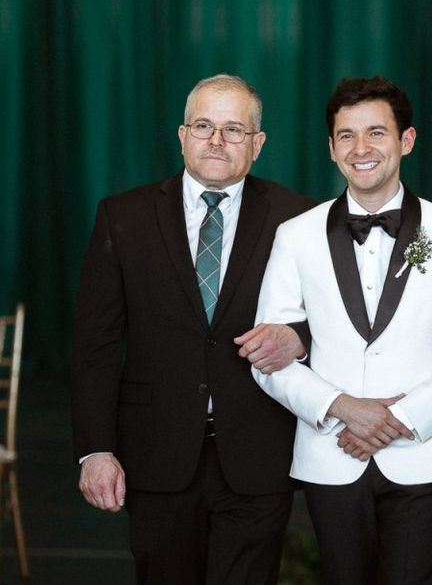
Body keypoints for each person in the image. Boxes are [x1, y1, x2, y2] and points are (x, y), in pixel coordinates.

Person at [235, 75, 432, 584]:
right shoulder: (295, 236)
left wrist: (396, 419)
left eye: (376, 133)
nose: (362, 148)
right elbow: (270, 361)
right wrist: (345, 411)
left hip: (422, 454)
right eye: (347, 135)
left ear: (407, 140)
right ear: (332, 148)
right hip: (332, 452)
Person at [71, 74, 315, 584]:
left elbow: (331, 325)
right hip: (155, 454)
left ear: (258, 144)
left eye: (233, 129)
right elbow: (95, 346)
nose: (216, 141)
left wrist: (298, 338)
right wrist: (96, 450)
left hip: (258, 454)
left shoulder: (300, 219)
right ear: (182, 135)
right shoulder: (123, 217)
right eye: (203, 125)